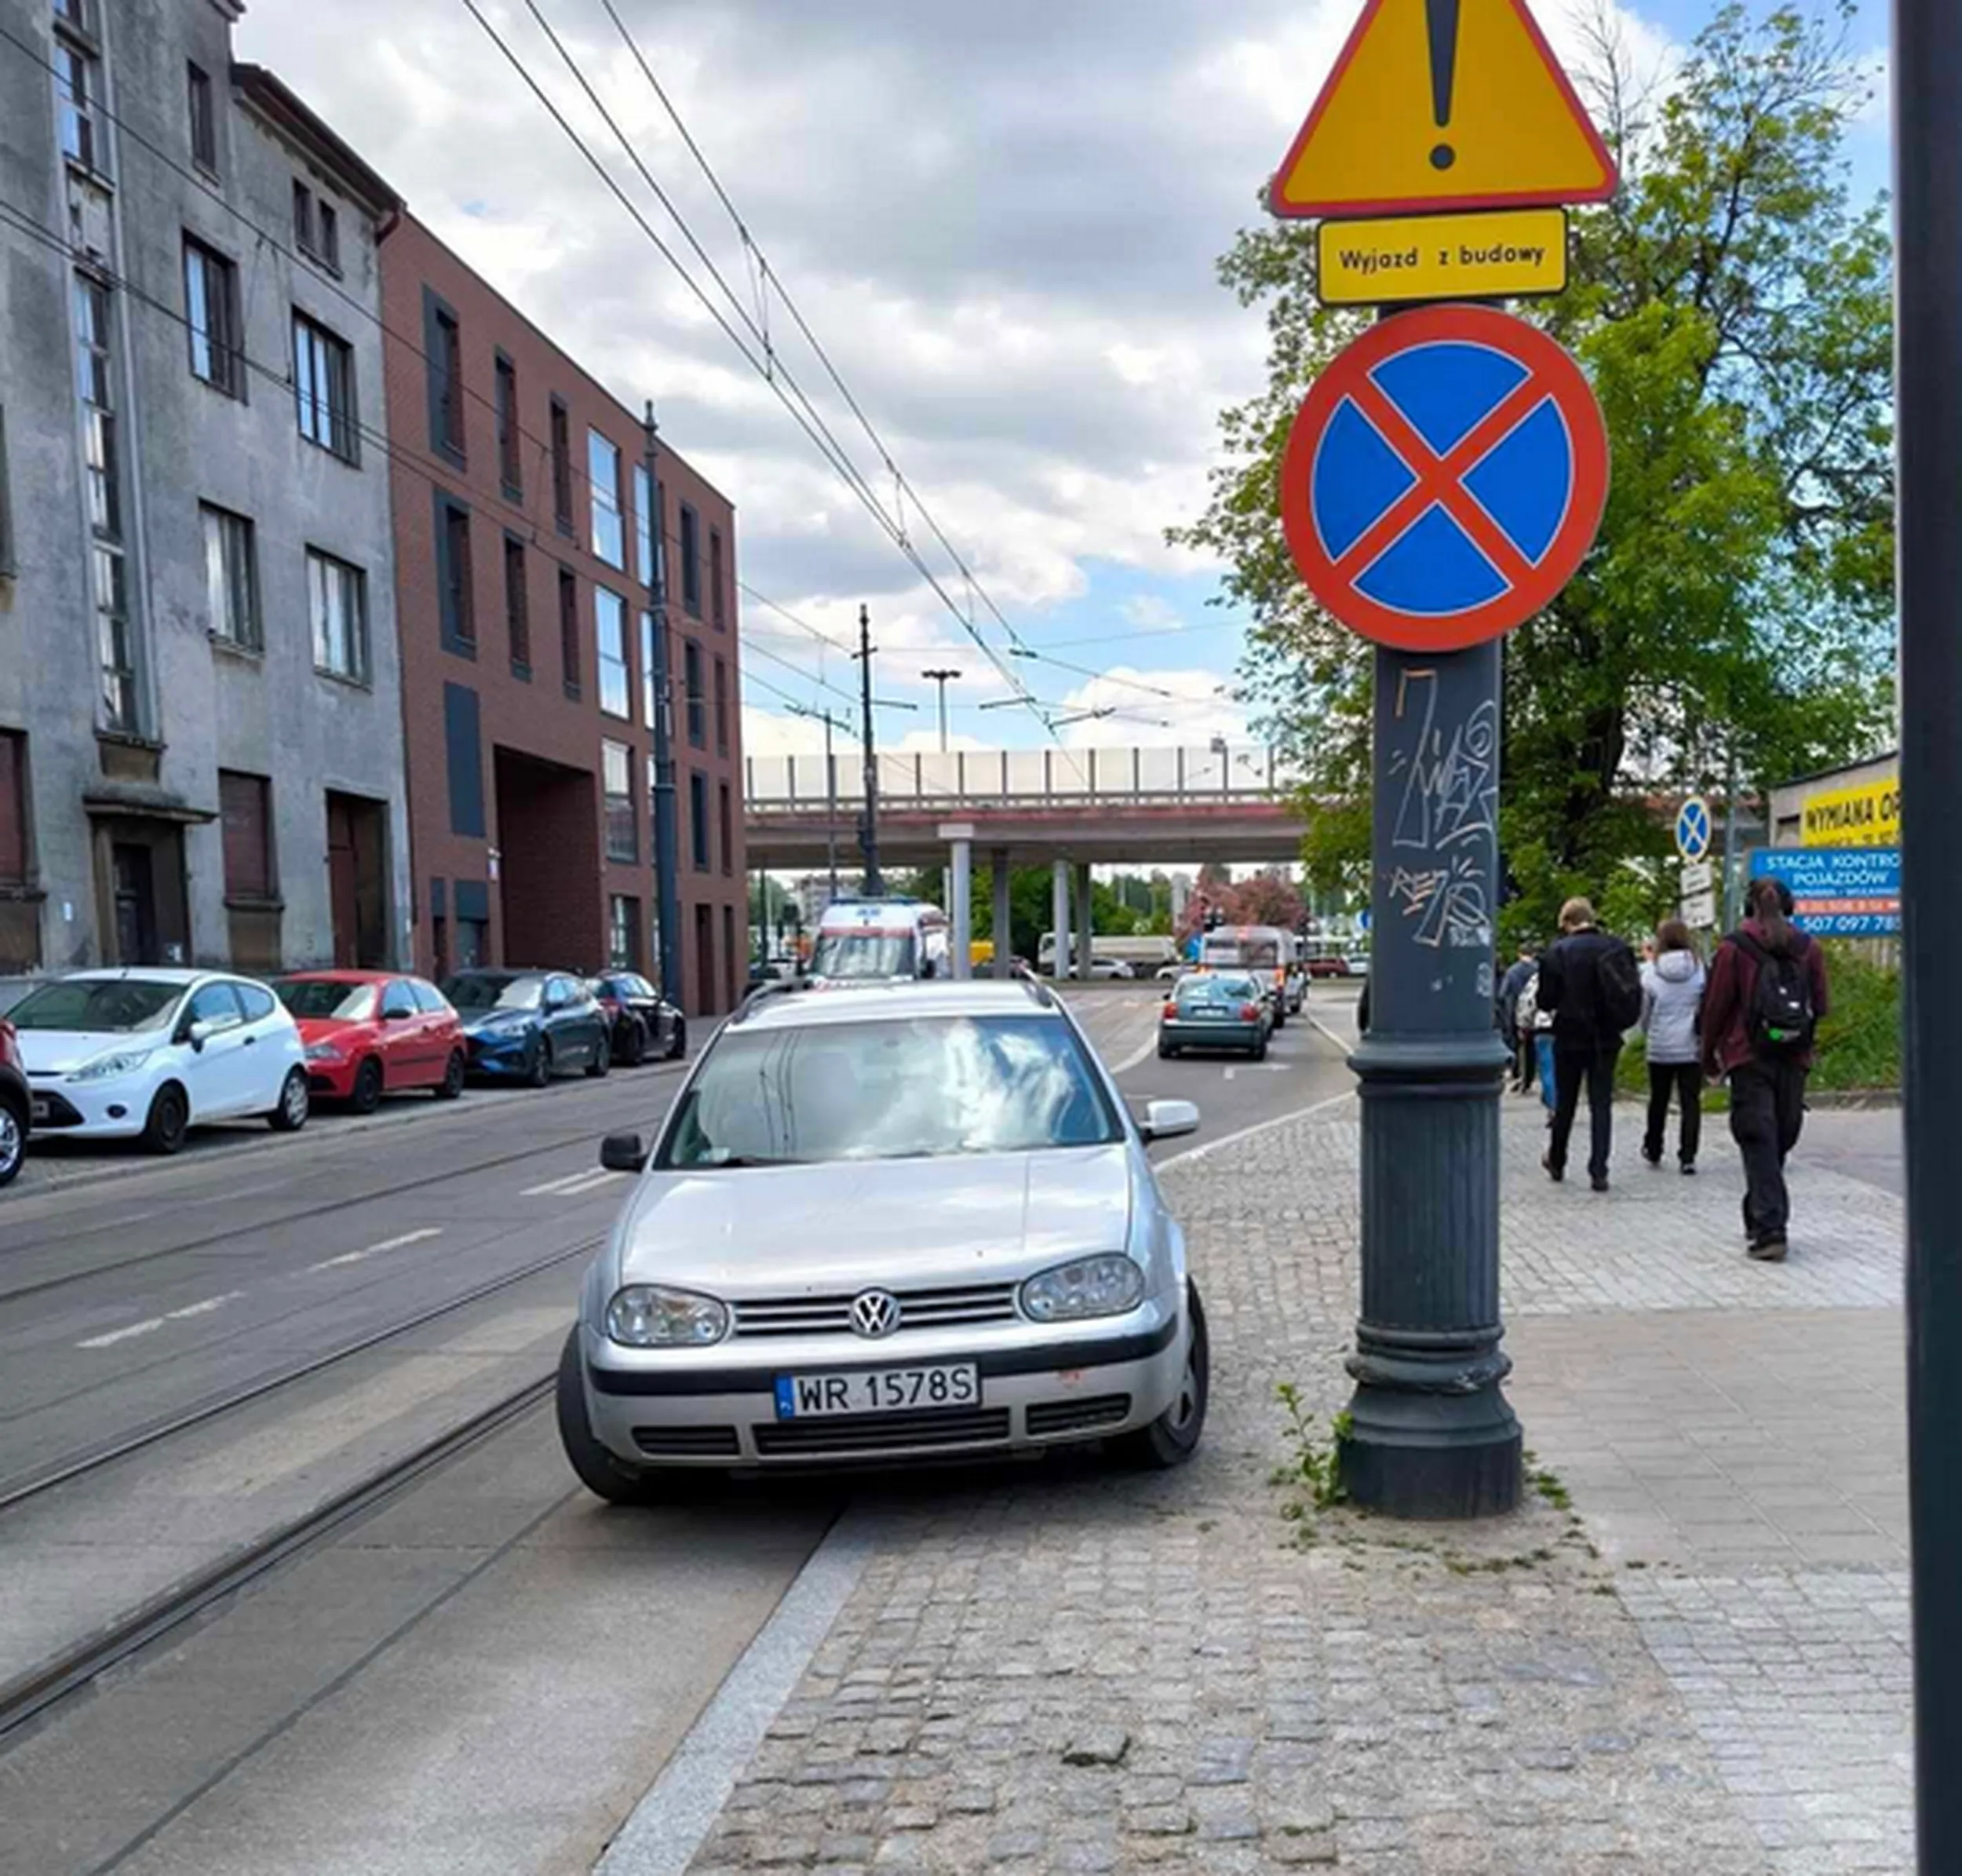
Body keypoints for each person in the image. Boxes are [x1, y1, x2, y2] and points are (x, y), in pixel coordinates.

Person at [1701, 877, 1831, 1261]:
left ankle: (1769, 1227)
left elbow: (1716, 1006)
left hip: (1748, 1057)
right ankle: (1764, 1216)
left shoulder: (1733, 948)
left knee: (1759, 1137)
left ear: (1749, 907)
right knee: (1777, 1138)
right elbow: (1821, 1004)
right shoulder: (1809, 948)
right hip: (1795, 1056)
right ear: (1789, 906)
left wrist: (1708, 1054)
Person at [1535, 896, 1643, 1192]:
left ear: (1567, 922)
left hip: (1569, 1036)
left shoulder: (1557, 952)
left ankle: (1557, 1159)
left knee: (1566, 1102)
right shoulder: (1617, 948)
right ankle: (1599, 1170)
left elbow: (1545, 1001)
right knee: (1601, 1103)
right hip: (1606, 1037)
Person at [1639, 918, 1706, 1173]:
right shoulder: (1699, 969)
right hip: (1691, 1044)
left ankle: (1654, 1146)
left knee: (1658, 1099)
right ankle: (1688, 1156)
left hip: (1660, 1045)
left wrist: (1649, 1033)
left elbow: (1645, 1012)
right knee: (1691, 1101)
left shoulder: (1651, 971)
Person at [1497, 943, 1537, 1092]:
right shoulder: (1538, 969)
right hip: (1535, 1014)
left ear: (1519, 954)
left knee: (1515, 1044)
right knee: (1531, 1047)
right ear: (1532, 954)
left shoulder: (1512, 971)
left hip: (1516, 1012)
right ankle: (1529, 1078)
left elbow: (1503, 994)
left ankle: (1516, 1073)